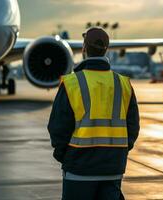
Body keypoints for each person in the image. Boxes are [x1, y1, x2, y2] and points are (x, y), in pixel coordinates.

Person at [48, 27, 140, 200]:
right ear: (106, 49)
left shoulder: (72, 83)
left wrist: (66, 158)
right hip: (113, 169)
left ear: (84, 48)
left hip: (79, 169)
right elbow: (133, 127)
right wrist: (118, 153)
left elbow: (57, 127)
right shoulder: (123, 84)